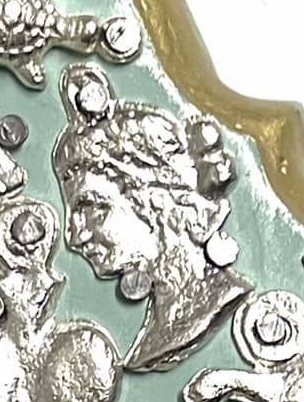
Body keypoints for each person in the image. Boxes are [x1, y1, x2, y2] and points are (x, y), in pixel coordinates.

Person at [51, 65, 252, 371]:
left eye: (91, 208)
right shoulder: (157, 338)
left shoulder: (202, 315)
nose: (74, 236)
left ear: (155, 202)